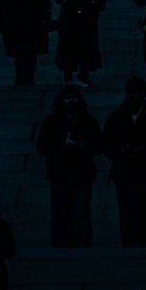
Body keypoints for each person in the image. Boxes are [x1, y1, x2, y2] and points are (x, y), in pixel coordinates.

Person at [101, 76, 146, 248]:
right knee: (126, 210)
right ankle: (129, 243)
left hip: (145, 169)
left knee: (144, 210)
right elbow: (107, 145)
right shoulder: (117, 116)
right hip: (125, 170)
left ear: (144, 94)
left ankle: (142, 242)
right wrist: (121, 151)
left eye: (137, 93)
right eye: (131, 93)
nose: (134, 97)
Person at [35, 86, 103, 246]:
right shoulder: (52, 121)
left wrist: (84, 145)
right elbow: (43, 146)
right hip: (60, 173)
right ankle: (61, 244)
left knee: (82, 212)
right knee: (60, 212)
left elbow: (99, 145)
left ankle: (82, 245)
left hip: (82, 172)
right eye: (67, 98)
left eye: (74, 97)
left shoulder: (88, 120)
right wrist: (62, 144)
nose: (71, 101)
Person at [53, 0, 106, 88]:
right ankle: (68, 70)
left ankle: (83, 73)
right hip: (70, 18)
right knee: (68, 44)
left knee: (86, 46)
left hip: (86, 19)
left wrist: (94, 6)